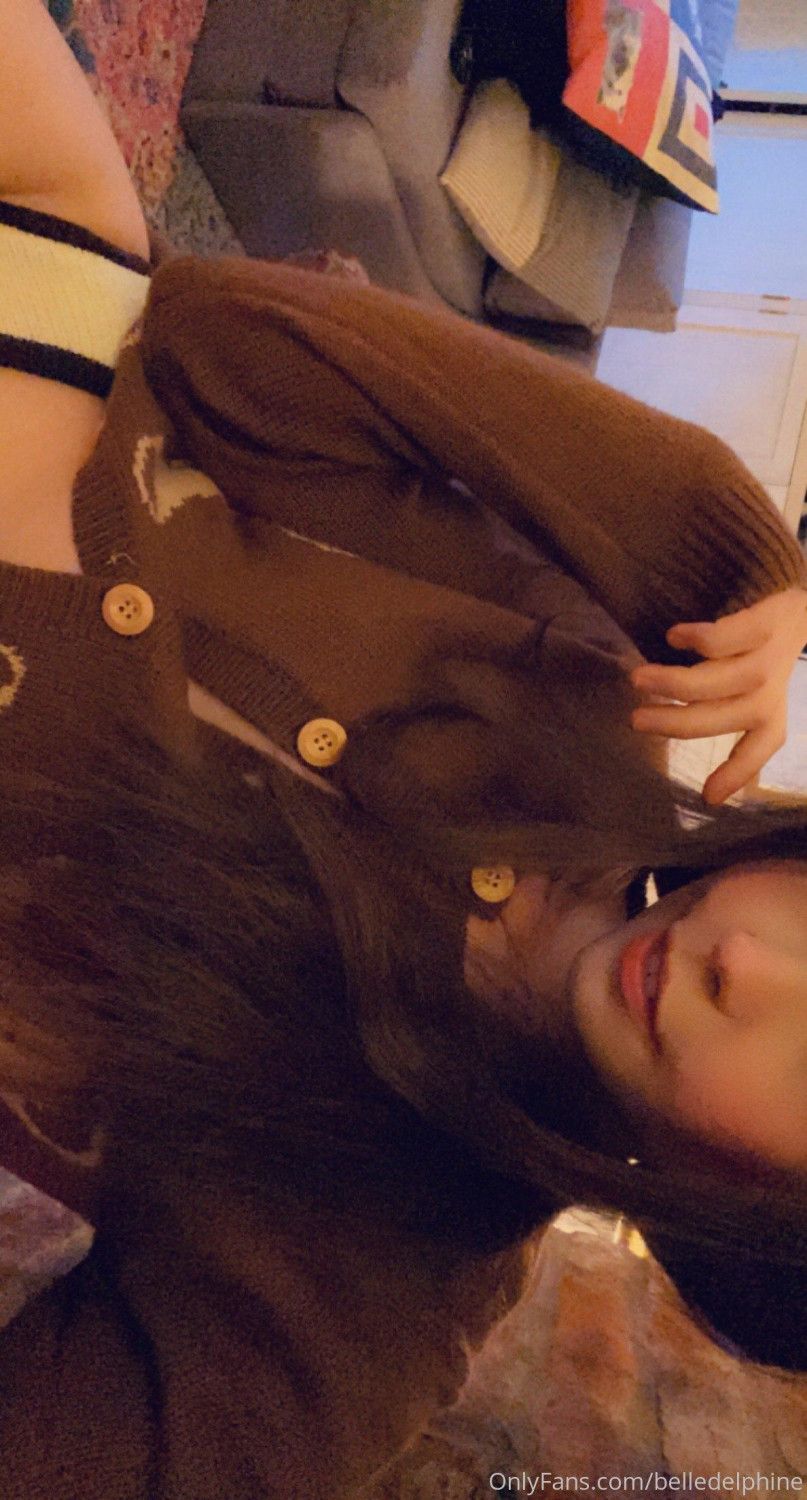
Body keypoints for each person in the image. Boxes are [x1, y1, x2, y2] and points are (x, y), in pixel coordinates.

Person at [0, 2, 805, 1495]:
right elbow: (216, 330)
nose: (751, 965)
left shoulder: (369, 1299)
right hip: (37, 279)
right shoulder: (588, 689)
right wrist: (711, 539)